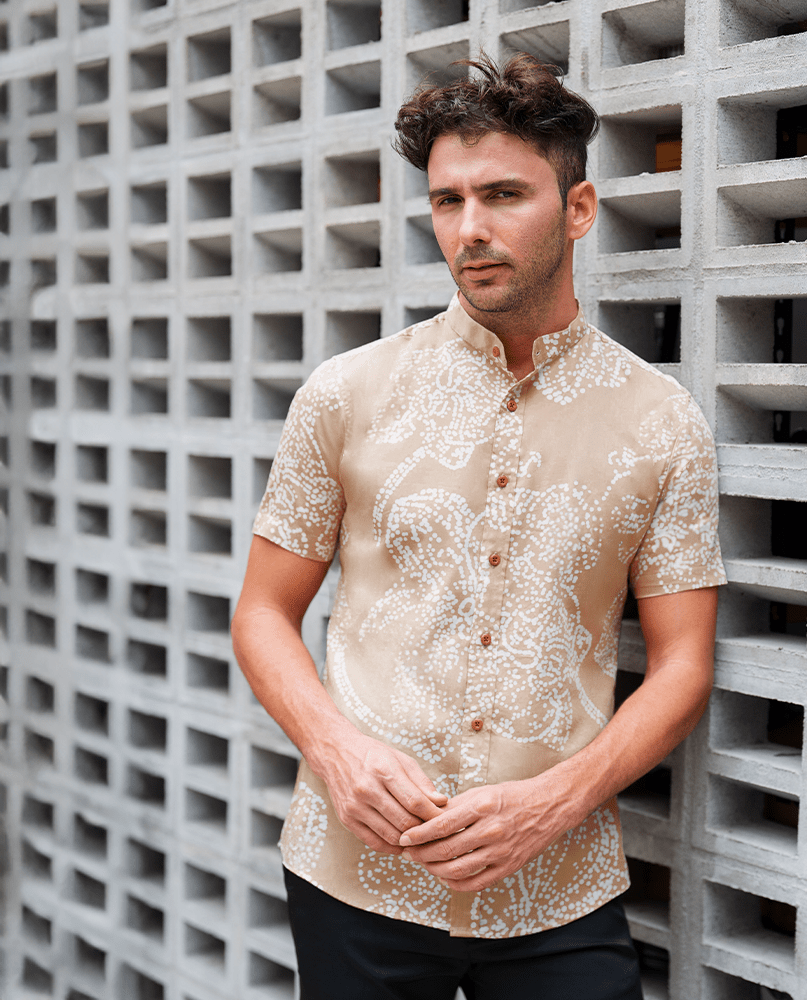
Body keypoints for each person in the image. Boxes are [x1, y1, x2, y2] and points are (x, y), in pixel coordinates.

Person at [231, 53, 726, 1000]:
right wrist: (336, 750)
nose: (471, 229)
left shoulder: (662, 421)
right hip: (357, 876)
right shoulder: (344, 395)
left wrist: (556, 803)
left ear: (578, 208)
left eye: (503, 194)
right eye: (447, 201)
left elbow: (684, 664)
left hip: (559, 883)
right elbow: (262, 613)